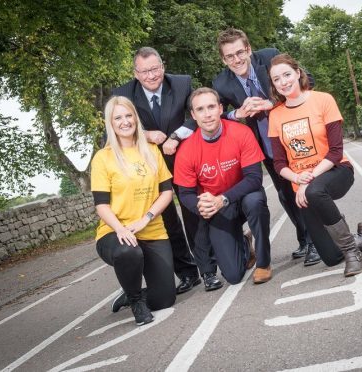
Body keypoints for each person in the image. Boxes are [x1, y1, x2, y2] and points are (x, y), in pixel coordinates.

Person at [267, 53, 362, 277]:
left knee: (316, 190)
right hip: (302, 184)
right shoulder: (275, 115)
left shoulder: (323, 99)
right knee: (330, 257)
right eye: (277, 79)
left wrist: (308, 180)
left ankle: (352, 253)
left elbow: (336, 151)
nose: (283, 82)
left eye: (287, 75)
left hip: (336, 170)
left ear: (298, 73)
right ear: (273, 84)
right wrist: (297, 179)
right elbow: (278, 163)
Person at [212, 28, 321, 266]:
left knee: (302, 187)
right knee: (284, 193)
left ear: (249, 49)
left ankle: (316, 240)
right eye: (229, 56)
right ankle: (305, 238)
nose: (237, 60)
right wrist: (237, 112)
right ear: (223, 59)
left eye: (240, 52)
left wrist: (273, 102)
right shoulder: (221, 82)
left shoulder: (271, 57)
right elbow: (215, 114)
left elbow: (308, 80)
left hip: (294, 135)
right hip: (265, 146)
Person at [111, 47, 201, 306]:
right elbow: (117, 128)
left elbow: (195, 116)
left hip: (184, 158)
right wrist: (146, 134)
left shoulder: (182, 83)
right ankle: (187, 273)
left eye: (155, 68)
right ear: (135, 74)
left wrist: (175, 136)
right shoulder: (122, 94)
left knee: (194, 212)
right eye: (144, 71)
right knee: (168, 220)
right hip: (149, 168)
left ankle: (209, 264)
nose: (151, 75)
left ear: (163, 66)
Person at [90, 96, 176, 325]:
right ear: (111, 122)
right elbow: (101, 205)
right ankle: (136, 300)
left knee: (165, 299)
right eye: (118, 117)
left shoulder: (151, 150)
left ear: (135, 119)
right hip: (116, 232)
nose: (125, 121)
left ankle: (129, 294)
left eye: (128, 115)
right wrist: (121, 229)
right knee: (128, 252)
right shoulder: (103, 158)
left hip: (151, 229)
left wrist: (146, 219)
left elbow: (166, 192)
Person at [174, 87, 272, 286]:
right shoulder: (186, 150)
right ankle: (245, 244)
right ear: (193, 115)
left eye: (211, 107)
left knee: (255, 201)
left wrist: (223, 199)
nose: (207, 113)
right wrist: (202, 205)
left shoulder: (241, 132)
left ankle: (263, 263)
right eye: (200, 109)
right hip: (217, 207)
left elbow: (254, 178)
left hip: (241, 196)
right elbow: (185, 194)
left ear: (220, 108)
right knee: (234, 276)